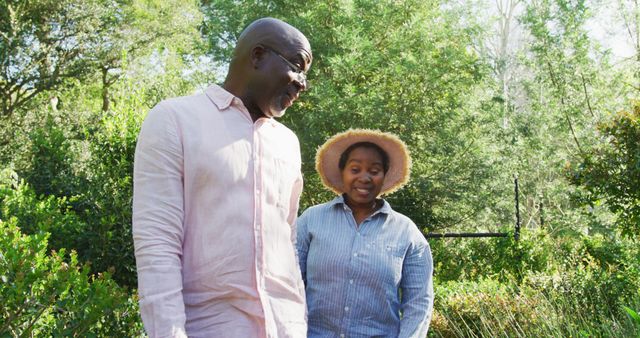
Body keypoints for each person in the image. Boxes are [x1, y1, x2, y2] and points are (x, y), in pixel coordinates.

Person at [132, 17, 312, 337]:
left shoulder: (288, 143)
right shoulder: (175, 119)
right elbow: (157, 243)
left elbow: (288, 240)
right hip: (210, 327)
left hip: (285, 327)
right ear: (257, 56)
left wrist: (297, 322)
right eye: (297, 66)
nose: (302, 83)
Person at [296, 129, 434, 338]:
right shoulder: (311, 220)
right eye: (355, 169)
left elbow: (419, 302)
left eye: (374, 170)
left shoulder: (406, 233)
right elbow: (288, 281)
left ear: (384, 176)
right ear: (342, 172)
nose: (365, 177)